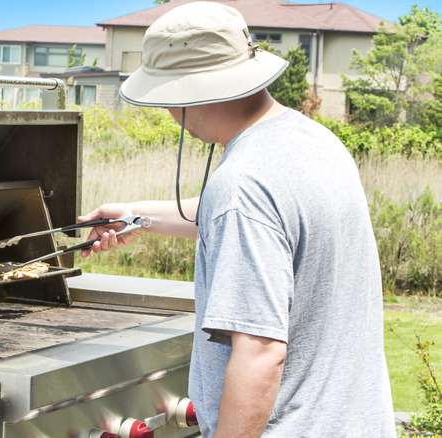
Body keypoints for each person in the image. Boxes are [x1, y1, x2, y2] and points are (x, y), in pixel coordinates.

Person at [78, 2, 394, 437]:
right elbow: (259, 221)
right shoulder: (313, 141)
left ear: (187, 91)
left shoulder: (242, 186)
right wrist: (137, 216)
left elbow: (261, 353)